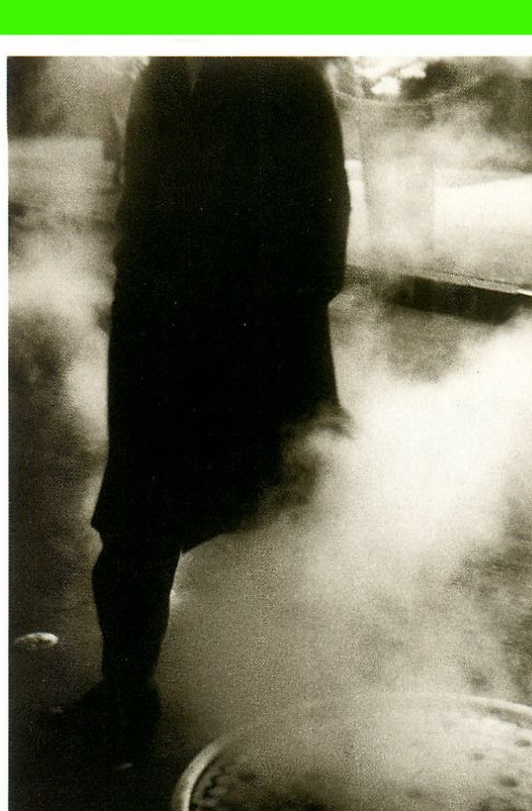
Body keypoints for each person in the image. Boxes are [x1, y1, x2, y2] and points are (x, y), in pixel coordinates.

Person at [80, 56, 351, 738]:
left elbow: (323, 228)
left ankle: (311, 686)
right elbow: (139, 200)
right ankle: (126, 692)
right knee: (136, 524)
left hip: (246, 342)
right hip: (157, 341)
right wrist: (130, 285)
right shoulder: (164, 72)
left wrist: (261, 321)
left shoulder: (286, 76)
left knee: (278, 508)